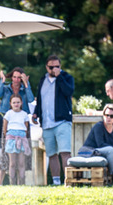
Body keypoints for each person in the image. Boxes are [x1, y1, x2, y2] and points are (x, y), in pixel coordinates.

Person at [33, 55, 75, 186]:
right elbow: (40, 100)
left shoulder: (67, 77)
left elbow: (68, 92)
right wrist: (36, 113)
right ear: (46, 67)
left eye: (57, 66)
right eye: (51, 67)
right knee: (51, 154)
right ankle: (56, 182)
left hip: (62, 121)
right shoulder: (43, 80)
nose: (54, 69)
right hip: (46, 123)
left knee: (65, 152)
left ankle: (68, 181)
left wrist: (59, 76)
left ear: (60, 66)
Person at [78, 104, 113, 186]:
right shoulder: (98, 126)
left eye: (111, 116)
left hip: (109, 153)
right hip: (93, 151)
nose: (108, 118)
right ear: (103, 116)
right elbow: (100, 144)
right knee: (110, 149)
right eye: (106, 115)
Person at [2, 95, 31, 185]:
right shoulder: (8, 113)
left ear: (21, 103)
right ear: (10, 104)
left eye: (18, 102)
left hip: (21, 138)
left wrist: (22, 136)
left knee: (21, 163)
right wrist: (8, 136)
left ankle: (21, 182)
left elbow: (26, 127)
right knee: (12, 163)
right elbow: (5, 127)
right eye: (14, 102)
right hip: (11, 138)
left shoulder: (24, 114)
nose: (16, 104)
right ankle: (12, 182)